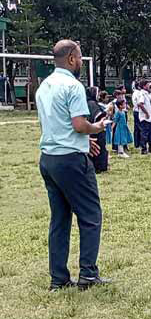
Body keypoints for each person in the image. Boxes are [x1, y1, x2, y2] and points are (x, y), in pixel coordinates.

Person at [35, 39, 111, 291]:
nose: (80, 61)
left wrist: (82, 141)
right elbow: (79, 124)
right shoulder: (73, 85)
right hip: (72, 161)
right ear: (71, 59)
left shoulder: (44, 86)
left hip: (49, 159)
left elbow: (56, 124)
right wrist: (96, 128)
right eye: (79, 57)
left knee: (60, 220)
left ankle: (59, 279)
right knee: (90, 216)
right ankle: (88, 274)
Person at [86, 87, 109, 173]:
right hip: (96, 130)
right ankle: (100, 166)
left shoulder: (88, 103)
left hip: (90, 130)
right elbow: (98, 116)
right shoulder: (92, 104)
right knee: (99, 148)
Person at [137, 81, 151, 154]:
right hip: (144, 117)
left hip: (149, 117)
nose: (149, 87)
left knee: (150, 133)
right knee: (144, 133)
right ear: (144, 86)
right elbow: (140, 104)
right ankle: (143, 149)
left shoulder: (147, 94)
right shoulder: (142, 94)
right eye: (148, 85)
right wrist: (146, 113)